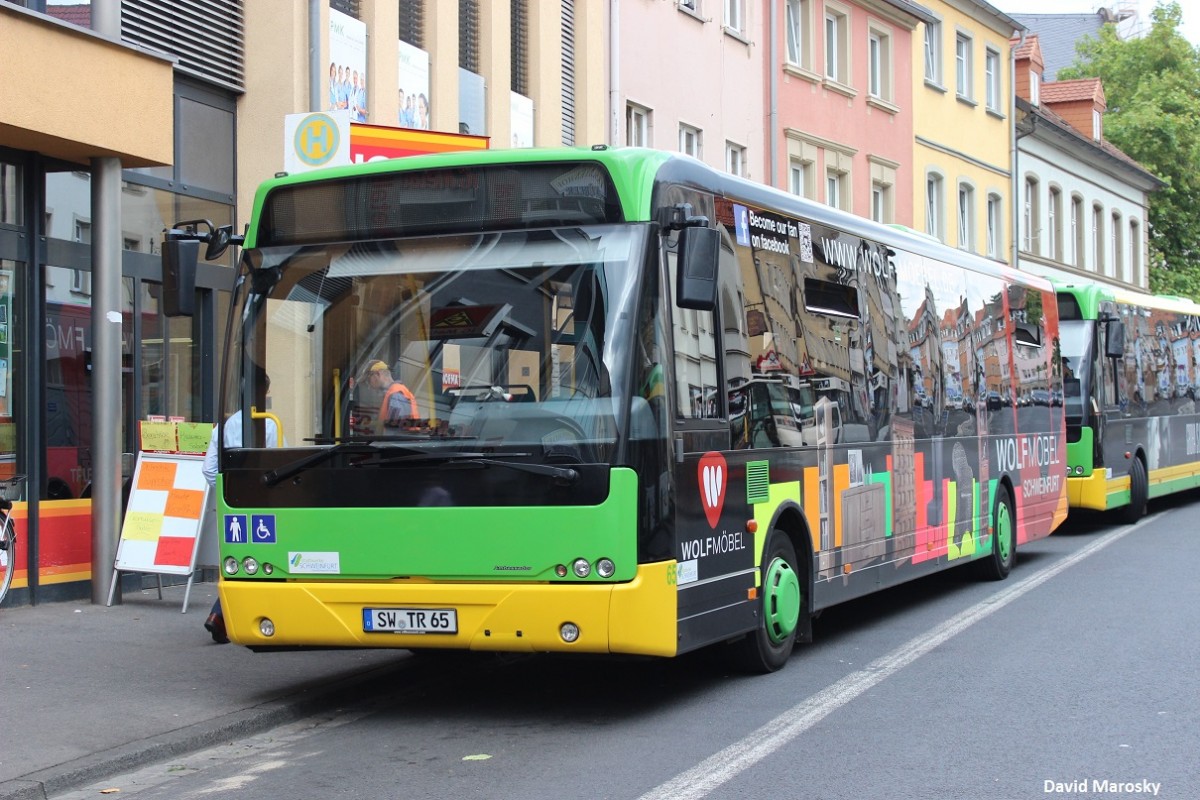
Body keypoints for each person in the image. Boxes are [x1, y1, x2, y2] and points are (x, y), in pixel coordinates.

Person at [202, 370, 281, 643]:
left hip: (232, 504)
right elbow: (272, 465)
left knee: (234, 561)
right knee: (260, 562)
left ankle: (219, 616)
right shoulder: (269, 425)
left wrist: (228, 492)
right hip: (260, 503)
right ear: (262, 393)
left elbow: (209, 469)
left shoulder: (224, 426)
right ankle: (226, 616)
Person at [366, 360, 420, 430]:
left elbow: (396, 431)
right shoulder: (393, 393)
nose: (369, 385)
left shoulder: (396, 394)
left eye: (368, 379)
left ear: (378, 374)